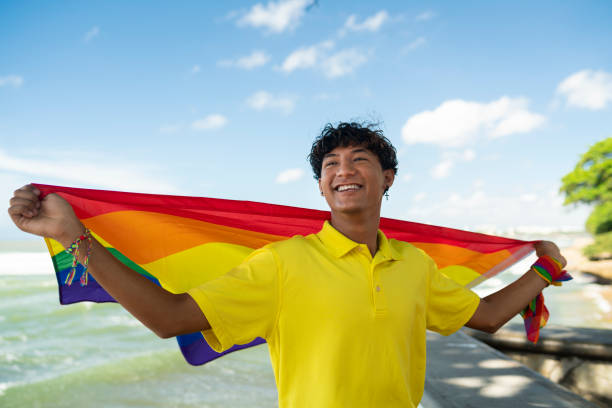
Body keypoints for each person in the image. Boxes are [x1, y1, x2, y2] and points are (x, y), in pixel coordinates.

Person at [8, 122, 566, 407]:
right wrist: (75, 236)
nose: (343, 169)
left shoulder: (414, 265)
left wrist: (543, 269)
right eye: (330, 163)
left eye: (359, 160)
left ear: (387, 178)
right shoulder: (281, 262)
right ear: (321, 184)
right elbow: (168, 316)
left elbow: (487, 315)